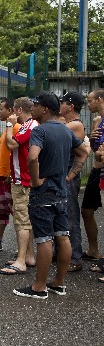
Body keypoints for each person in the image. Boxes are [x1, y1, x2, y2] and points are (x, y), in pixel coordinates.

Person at [13, 92, 88, 299]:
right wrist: (70, 175)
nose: (32, 108)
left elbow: (33, 157)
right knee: (62, 236)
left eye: (35, 105)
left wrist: (35, 180)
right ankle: (59, 283)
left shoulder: (40, 131)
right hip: (61, 192)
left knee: (44, 239)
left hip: (43, 193)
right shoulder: (65, 131)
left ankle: (39, 287)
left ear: (44, 109)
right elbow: (83, 152)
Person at [0, 97, 37, 275]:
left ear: (19, 110)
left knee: (21, 221)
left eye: (14, 110)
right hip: (19, 178)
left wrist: (8, 126)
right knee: (25, 219)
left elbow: (12, 144)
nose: (12, 113)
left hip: (24, 180)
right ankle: (28, 255)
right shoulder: (26, 126)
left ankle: (21, 260)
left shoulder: (30, 126)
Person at [59, 92, 86, 272]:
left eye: (62, 103)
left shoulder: (75, 125)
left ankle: (75, 256)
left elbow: (56, 133)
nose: (59, 105)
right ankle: (61, 252)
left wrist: (70, 175)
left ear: (71, 106)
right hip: (61, 173)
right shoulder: (66, 124)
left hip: (68, 174)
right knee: (60, 214)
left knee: (70, 215)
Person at [0, 98, 18, 254]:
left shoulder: (17, 128)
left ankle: (24, 249)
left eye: (2, 109)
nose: (0, 112)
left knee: (18, 212)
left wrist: (11, 174)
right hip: (0, 175)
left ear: (11, 111)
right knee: (1, 210)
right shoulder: (8, 129)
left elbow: (17, 153)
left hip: (9, 177)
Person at [81, 89, 104, 261]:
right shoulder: (99, 121)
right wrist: (93, 136)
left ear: (99, 100)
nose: (88, 105)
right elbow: (96, 150)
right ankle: (93, 250)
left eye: (90, 101)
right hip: (97, 170)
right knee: (87, 210)